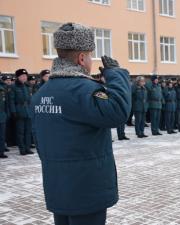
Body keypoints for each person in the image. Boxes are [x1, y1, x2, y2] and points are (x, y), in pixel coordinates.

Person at [31, 22, 131, 225]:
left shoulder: (42, 93)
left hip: (57, 184)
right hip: (86, 187)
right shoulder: (83, 90)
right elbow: (118, 112)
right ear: (82, 58)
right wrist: (117, 75)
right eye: (90, 55)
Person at [9, 69, 33, 155]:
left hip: (28, 111)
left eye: (25, 76)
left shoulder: (27, 86)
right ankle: (22, 149)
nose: (24, 77)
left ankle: (27, 148)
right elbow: (11, 100)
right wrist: (13, 112)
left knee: (28, 131)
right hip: (19, 111)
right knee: (20, 132)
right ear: (18, 77)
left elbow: (30, 100)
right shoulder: (13, 87)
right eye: (22, 76)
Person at [0, 72, 8, 158]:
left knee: (2, 135)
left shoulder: (3, 87)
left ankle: (1, 152)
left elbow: (6, 102)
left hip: (2, 114)